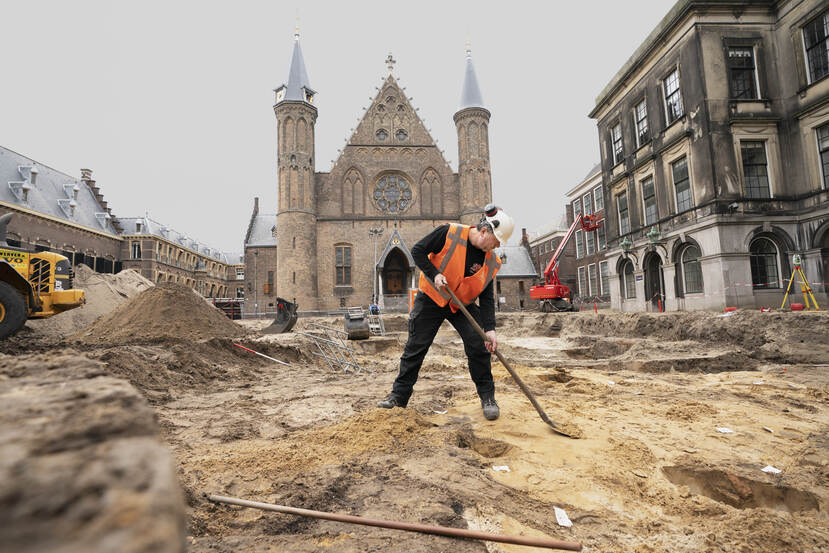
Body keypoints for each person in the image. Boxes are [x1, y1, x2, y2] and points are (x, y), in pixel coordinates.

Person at [377, 204, 515, 420]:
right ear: (485, 230)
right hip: (432, 297)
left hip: (461, 304)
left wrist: (490, 329)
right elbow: (418, 251)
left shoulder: (491, 261)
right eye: (496, 241)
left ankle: (488, 397)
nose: (496, 247)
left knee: (478, 346)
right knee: (415, 348)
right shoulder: (449, 233)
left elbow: (487, 298)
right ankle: (398, 397)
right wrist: (435, 274)